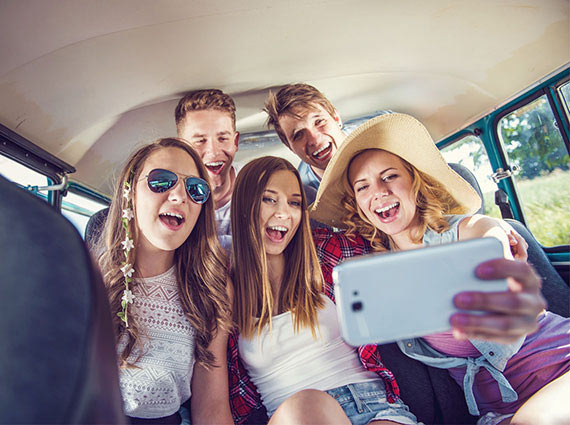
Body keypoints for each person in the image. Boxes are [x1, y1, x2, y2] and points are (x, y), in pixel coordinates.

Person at [310, 113, 570, 425]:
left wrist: (499, 248)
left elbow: (488, 232)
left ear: (414, 182)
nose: (377, 191)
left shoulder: (458, 232)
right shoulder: (377, 274)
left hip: (559, 365)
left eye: (389, 176)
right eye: (362, 186)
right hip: (500, 412)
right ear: (357, 204)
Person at [264, 83, 528, 259]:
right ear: (289, 146)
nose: (314, 139)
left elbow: (463, 229)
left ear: (336, 118)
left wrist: (493, 234)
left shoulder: (446, 222)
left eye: (319, 122)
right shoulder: (303, 204)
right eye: (298, 135)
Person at [97, 138, 234, 425]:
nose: (179, 196)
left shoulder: (211, 290)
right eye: (161, 181)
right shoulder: (87, 276)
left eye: (196, 190)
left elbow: (211, 408)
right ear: (129, 192)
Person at [175, 89, 241, 251]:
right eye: (200, 141)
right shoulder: (170, 199)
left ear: (235, 142)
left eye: (223, 139)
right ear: (182, 147)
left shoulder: (260, 189)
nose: (213, 151)